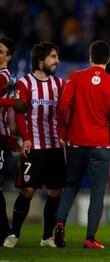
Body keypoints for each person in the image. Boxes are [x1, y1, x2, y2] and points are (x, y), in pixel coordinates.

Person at [54, 40, 110, 249]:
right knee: (97, 191)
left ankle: (59, 222)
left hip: (75, 143)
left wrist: (63, 133)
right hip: (99, 146)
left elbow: (62, 107)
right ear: (108, 60)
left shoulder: (76, 78)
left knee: (71, 186)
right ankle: (90, 238)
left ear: (90, 57)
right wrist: (107, 137)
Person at [3, 42, 65, 248]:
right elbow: (19, 112)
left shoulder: (60, 84)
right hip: (34, 146)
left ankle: (47, 237)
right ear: (41, 60)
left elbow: (65, 113)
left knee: (55, 191)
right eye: (53, 57)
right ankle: (14, 234)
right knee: (28, 190)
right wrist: (26, 138)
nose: (57, 61)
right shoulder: (22, 83)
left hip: (55, 146)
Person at [0, 36, 28, 243]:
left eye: (1, 52)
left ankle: (4, 231)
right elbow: (16, 102)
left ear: (8, 57)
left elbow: (18, 103)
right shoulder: (9, 78)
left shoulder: (4, 76)